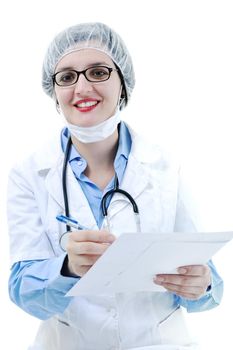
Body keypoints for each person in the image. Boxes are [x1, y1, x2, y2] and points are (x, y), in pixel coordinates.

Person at [7, 22, 223, 350]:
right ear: (54, 92)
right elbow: (24, 291)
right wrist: (67, 267)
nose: (81, 89)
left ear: (123, 84)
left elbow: (206, 281)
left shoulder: (165, 167)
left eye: (97, 72)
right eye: (67, 77)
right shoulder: (29, 174)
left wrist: (201, 285)